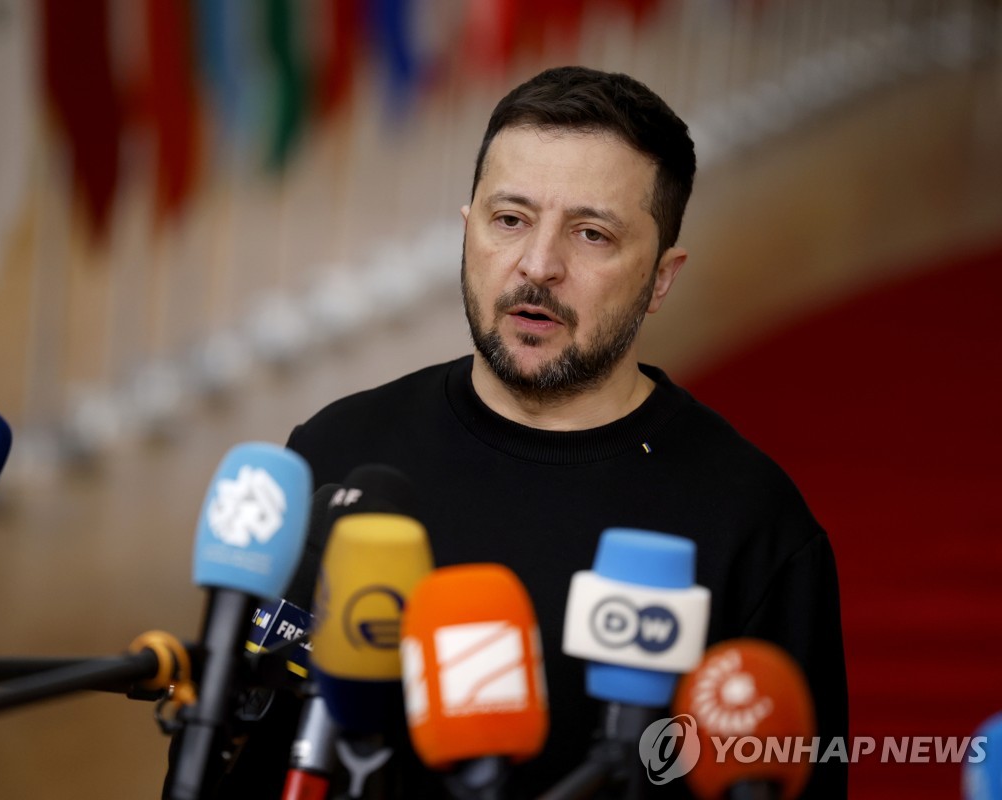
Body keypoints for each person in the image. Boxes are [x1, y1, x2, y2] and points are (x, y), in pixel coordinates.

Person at [182, 65, 848, 798]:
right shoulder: (337, 450)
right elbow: (236, 754)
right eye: (511, 219)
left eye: (592, 234)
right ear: (467, 231)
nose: (538, 265)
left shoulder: (752, 527)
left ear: (662, 278)